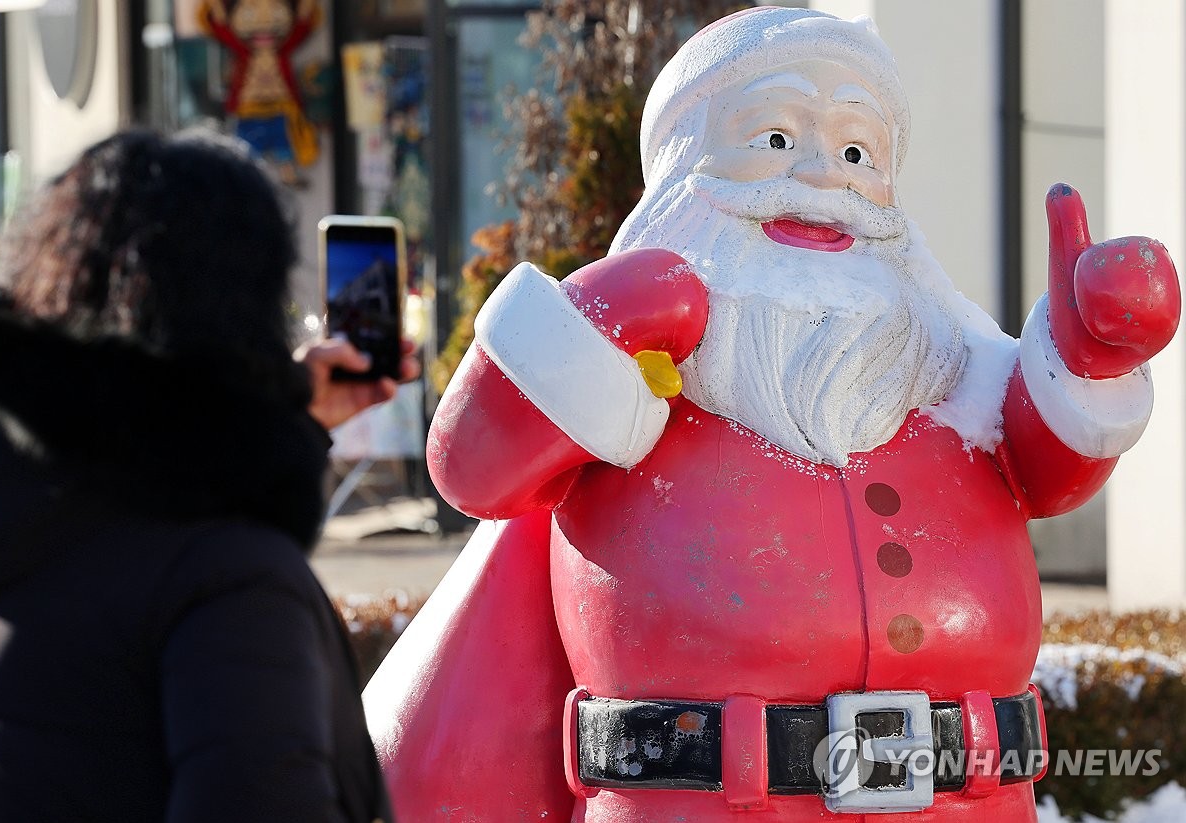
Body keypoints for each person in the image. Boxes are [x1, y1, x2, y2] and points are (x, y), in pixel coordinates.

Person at [363, 7, 1179, 823]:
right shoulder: (624, 385)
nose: (824, 178)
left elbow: (1049, 463)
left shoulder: (945, 366)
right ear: (687, 169)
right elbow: (471, 464)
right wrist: (594, 321)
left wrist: (1087, 358)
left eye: (858, 151)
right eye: (776, 140)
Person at [0, 128, 403, 822]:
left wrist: (281, 414)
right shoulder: (227, 577)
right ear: (248, 309)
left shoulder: (20, 509)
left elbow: (147, 440)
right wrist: (261, 424)